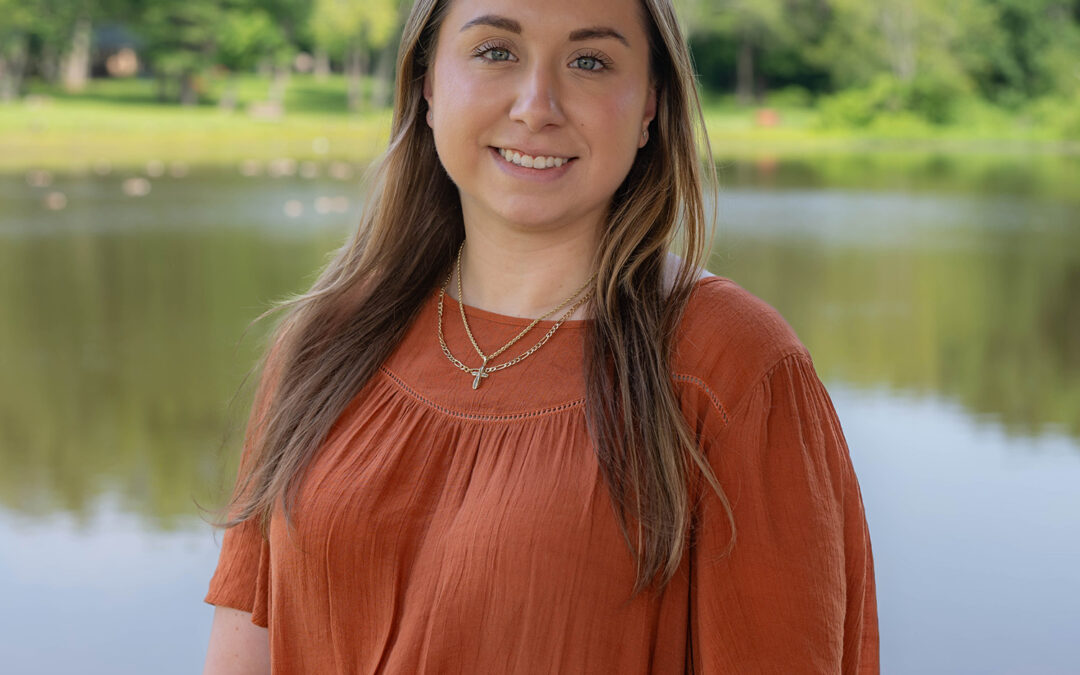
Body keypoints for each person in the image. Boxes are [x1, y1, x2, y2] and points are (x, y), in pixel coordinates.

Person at [203, 0, 879, 672]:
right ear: (428, 85)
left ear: (649, 106)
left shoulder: (734, 367)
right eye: (496, 51)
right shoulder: (327, 342)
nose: (536, 105)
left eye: (590, 61)